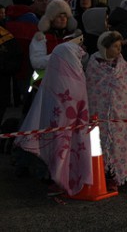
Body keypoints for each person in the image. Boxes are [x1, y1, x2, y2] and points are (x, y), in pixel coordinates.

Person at [15, 40, 92, 196]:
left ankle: (56, 179)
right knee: (63, 149)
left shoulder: (59, 74)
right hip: (67, 124)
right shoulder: (76, 75)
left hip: (60, 123)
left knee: (58, 148)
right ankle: (59, 178)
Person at [86, 31, 127, 190]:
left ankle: (114, 176)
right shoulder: (93, 64)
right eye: (115, 46)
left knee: (117, 144)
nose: (118, 50)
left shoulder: (123, 66)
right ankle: (98, 174)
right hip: (99, 113)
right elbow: (91, 88)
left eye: (119, 46)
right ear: (105, 47)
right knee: (99, 143)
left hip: (120, 114)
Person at [28, 0, 79, 114]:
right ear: (51, 19)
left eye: (65, 16)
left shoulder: (73, 37)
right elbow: (36, 62)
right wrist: (60, 55)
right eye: (58, 16)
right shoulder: (41, 37)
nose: (62, 19)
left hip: (70, 88)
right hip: (46, 88)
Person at [5, 0, 38, 108]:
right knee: (28, 100)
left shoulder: (7, 18)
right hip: (27, 64)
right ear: (30, 0)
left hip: (7, 64)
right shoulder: (32, 19)